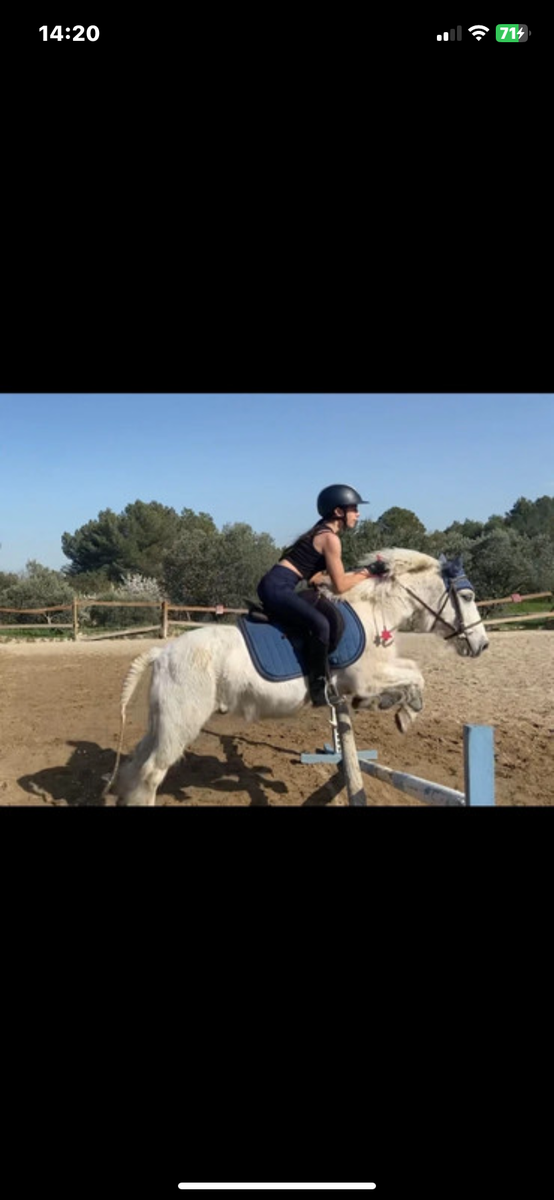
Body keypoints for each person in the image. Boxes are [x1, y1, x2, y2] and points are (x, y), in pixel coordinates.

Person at [257, 484, 373, 706]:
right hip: (277, 587)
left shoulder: (321, 532)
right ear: (338, 511)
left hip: (276, 585)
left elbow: (316, 579)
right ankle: (319, 690)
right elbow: (340, 586)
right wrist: (368, 573)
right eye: (354, 509)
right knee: (321, 625)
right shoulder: (330, 539)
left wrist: (360, 574)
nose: (358, 514)